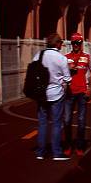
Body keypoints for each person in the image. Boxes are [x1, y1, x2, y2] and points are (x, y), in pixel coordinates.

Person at [33, 33, 71, 161]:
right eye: (61, 42)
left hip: (42, 94)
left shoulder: (38, 55)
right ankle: (56, 152)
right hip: (56, 94)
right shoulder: (61, 58)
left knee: (42, 123)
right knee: (56, 123)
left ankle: (40, 152)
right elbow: (67, 78)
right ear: (57, 43)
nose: (62, 44)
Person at [64, 32, 91, 157]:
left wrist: (90, 89)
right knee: (67, 120)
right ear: (71, 43)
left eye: (78, 42)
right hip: (69, 93)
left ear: (81, 43)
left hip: (82, 93)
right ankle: (68, 145)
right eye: (74, 43)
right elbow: (61, 75)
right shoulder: (65, 57)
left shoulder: (87, 57)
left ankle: (80, 146)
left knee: (81, 121)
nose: (76, 45)